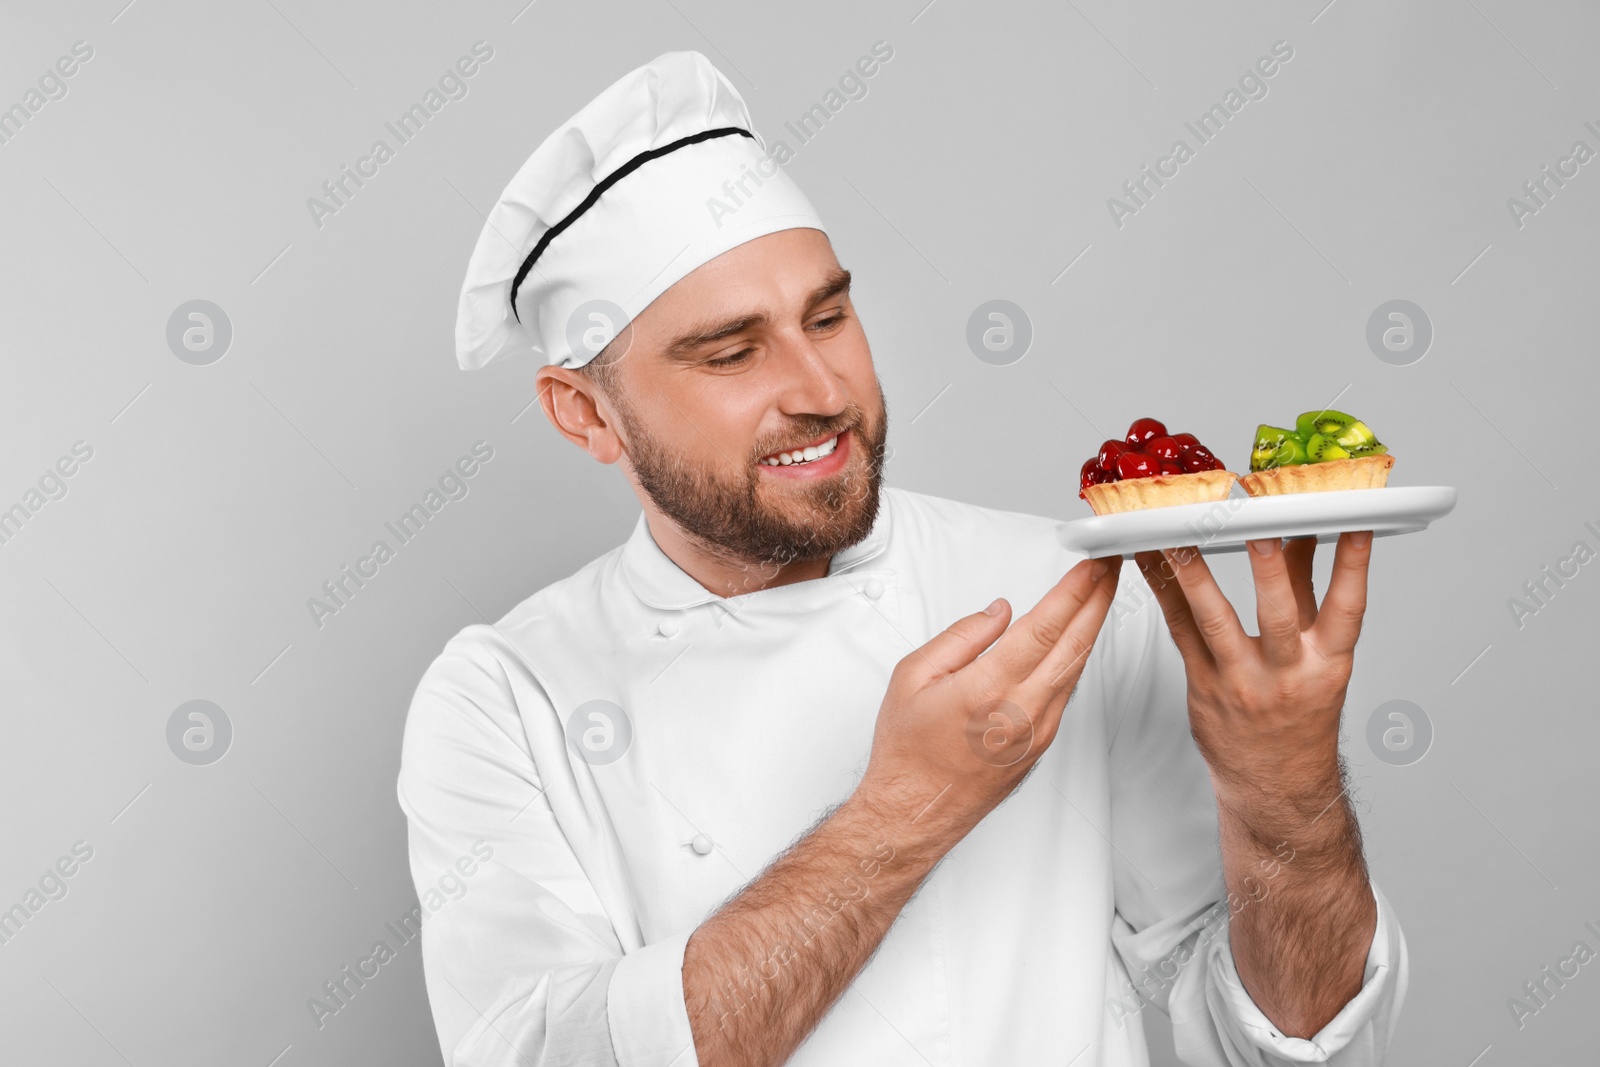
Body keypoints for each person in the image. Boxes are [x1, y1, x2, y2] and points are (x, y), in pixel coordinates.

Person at [397, 50, 1406, 1067]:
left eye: (828, 315)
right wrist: (907, 809)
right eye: (732, 352)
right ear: (585, 414)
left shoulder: (1064, 596)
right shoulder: (504, 698)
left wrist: (1286, 795)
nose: (820, 387)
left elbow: (1277, 1044)